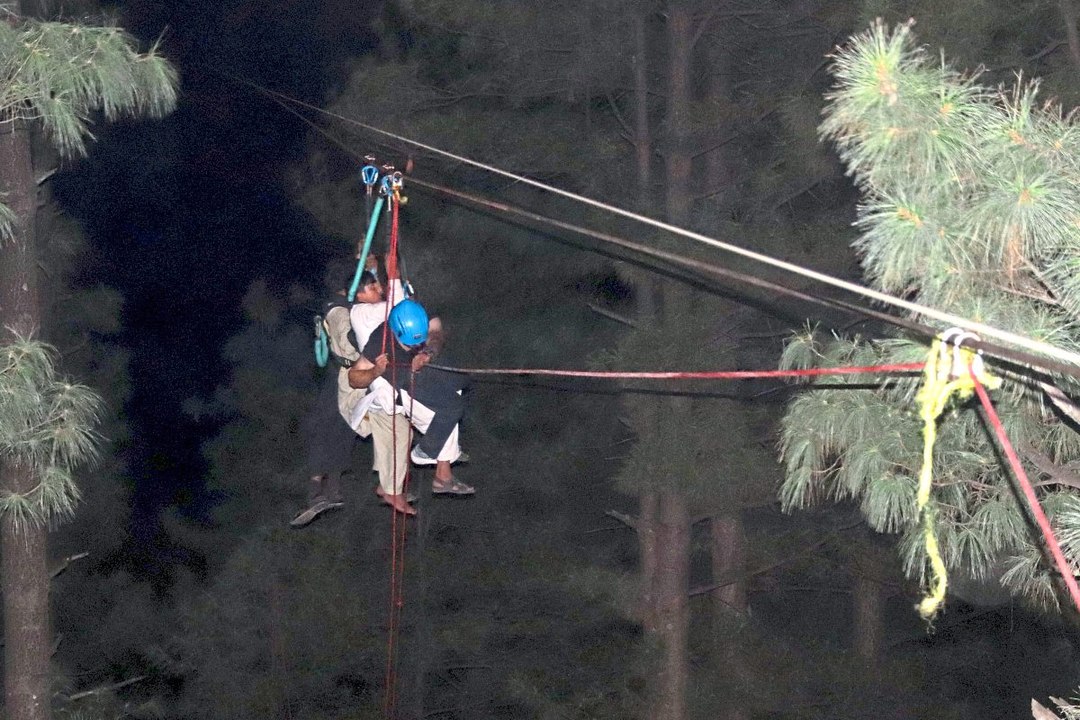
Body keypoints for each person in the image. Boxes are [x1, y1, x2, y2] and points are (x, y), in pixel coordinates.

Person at [349, 299, 475, 497]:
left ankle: (443, 454)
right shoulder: (379, 341)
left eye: (419, 340)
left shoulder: (420, 314)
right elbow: (354, 378)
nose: (416, 345)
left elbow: (436, 334)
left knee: (462, 379)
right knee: (453, 406)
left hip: (425, 364)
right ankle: (425, 451)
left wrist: (426, 352)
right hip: (405, 378)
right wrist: (375, 371)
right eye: (411, 343)